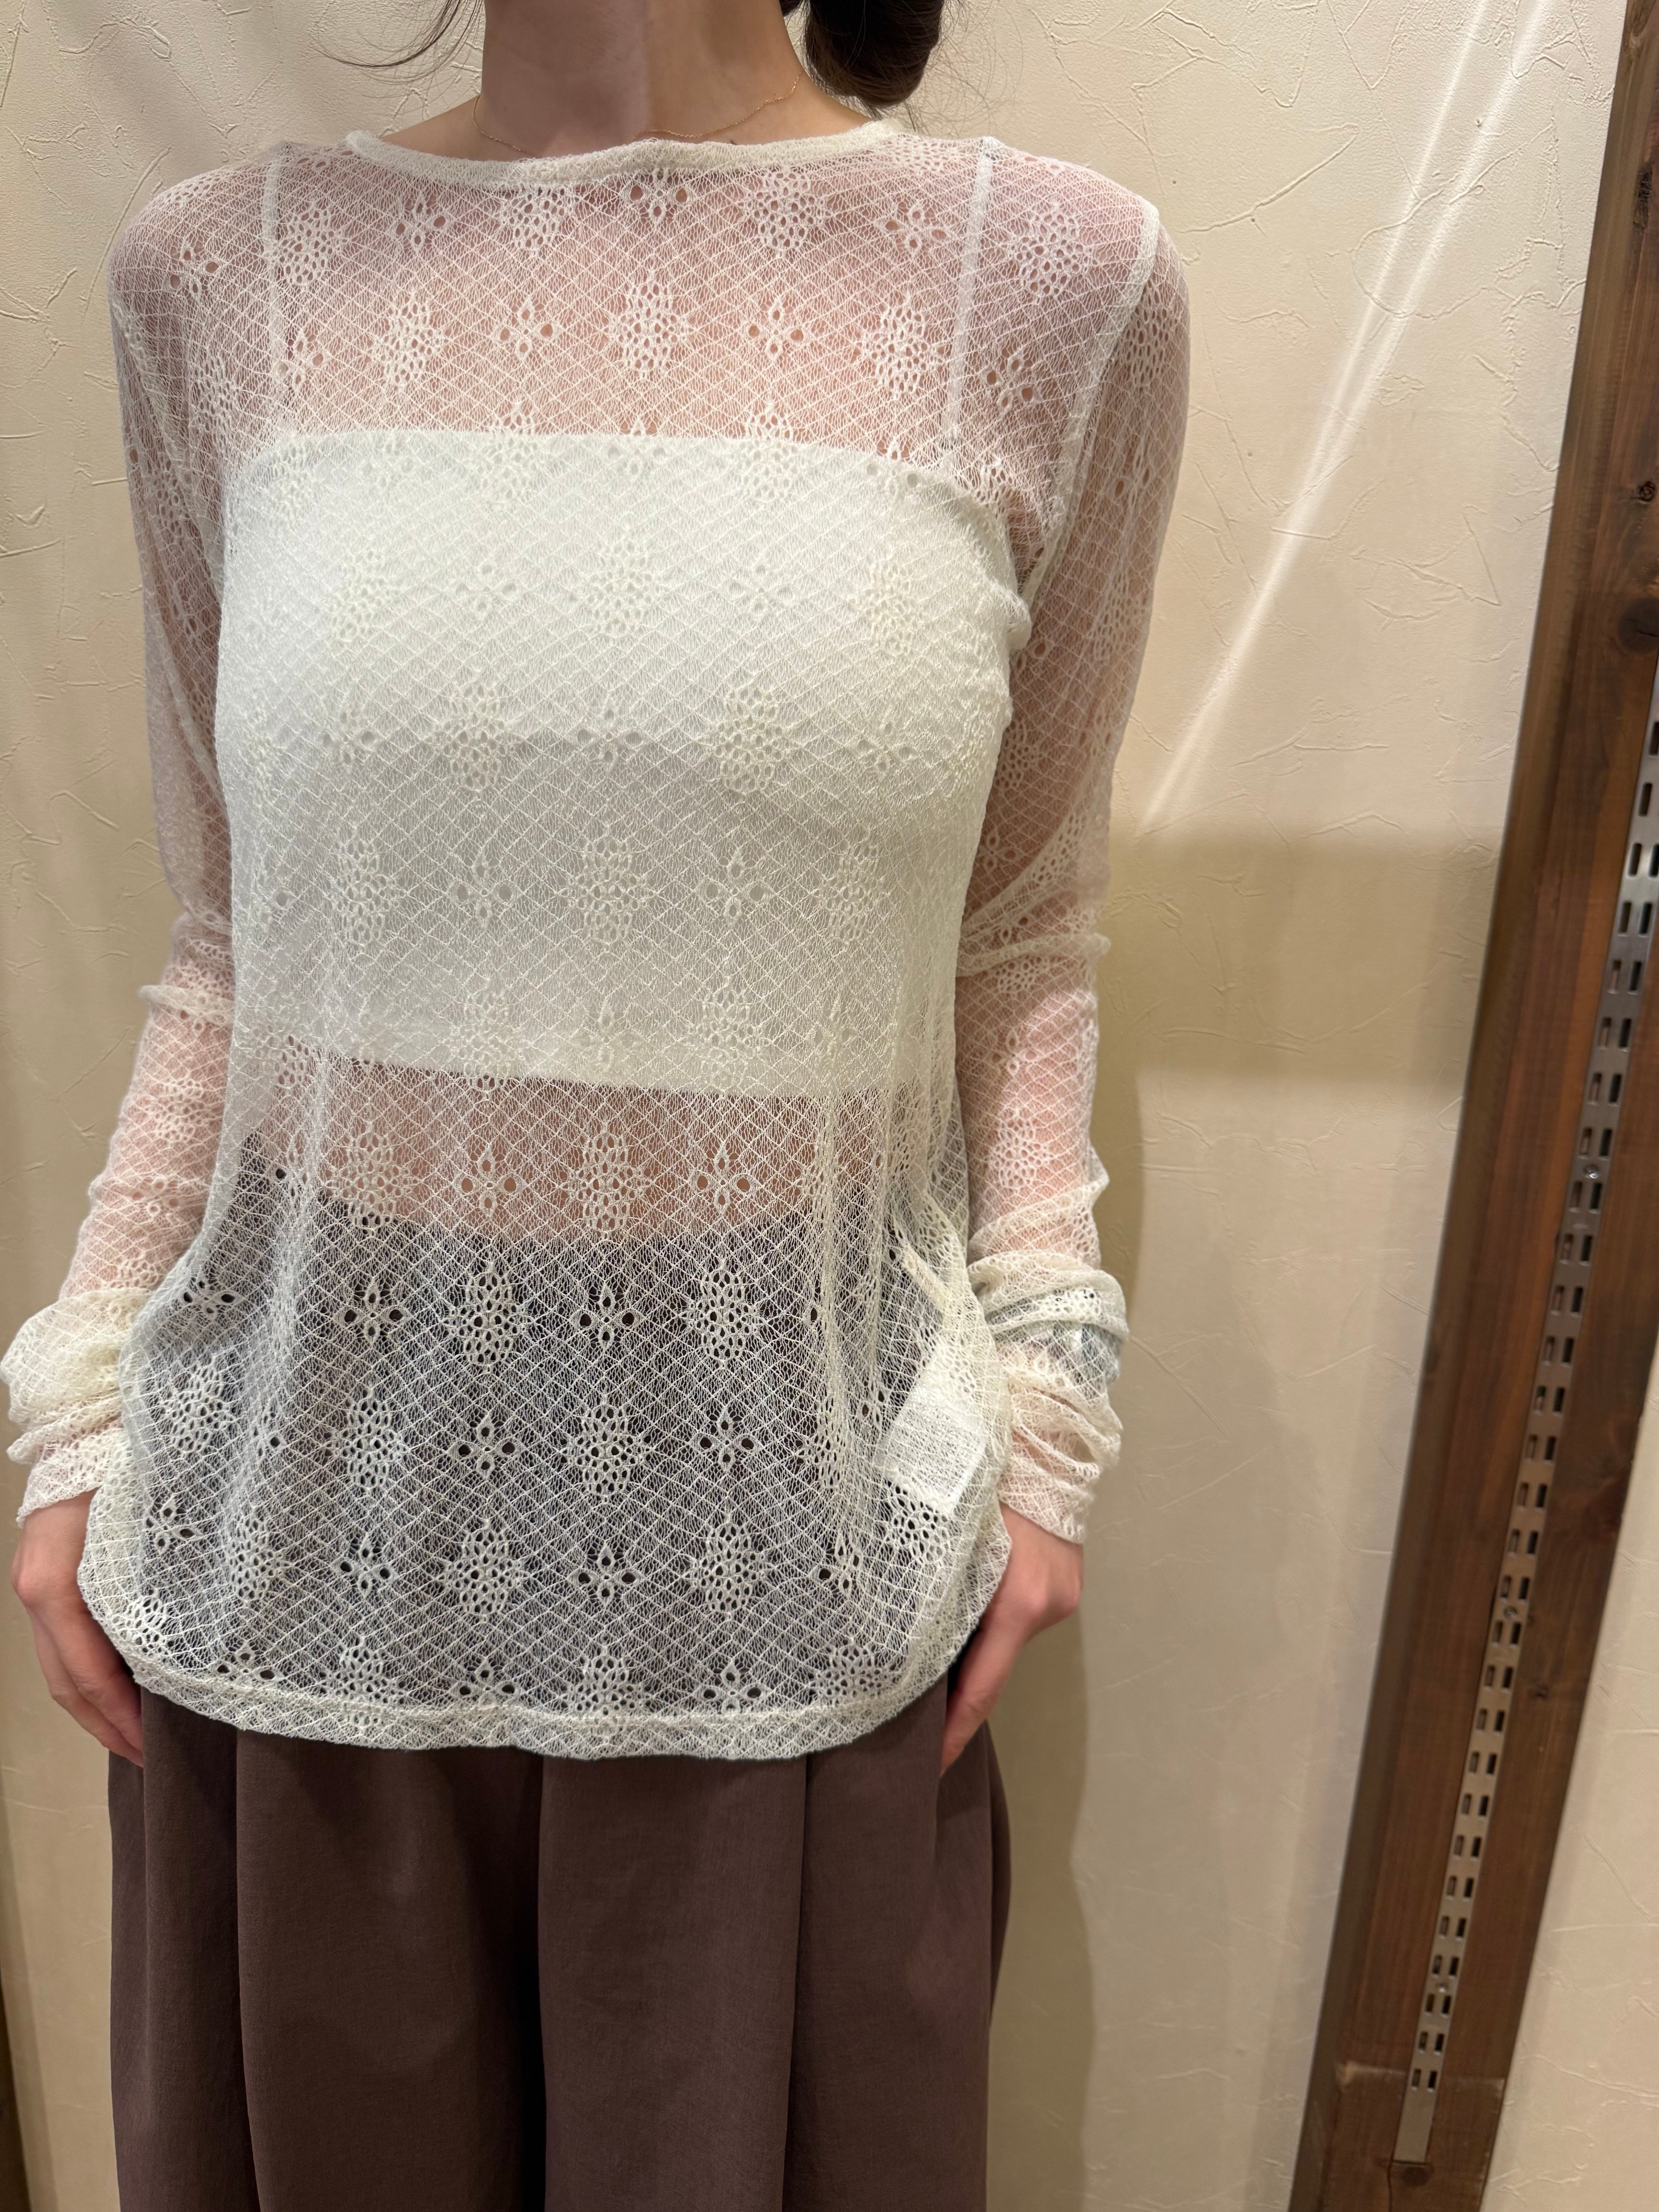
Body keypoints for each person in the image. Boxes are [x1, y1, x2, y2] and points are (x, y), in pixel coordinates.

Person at [3, 0, 1189, 2202]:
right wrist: (77, 1393)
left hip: (799, 1559)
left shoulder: (1043, 284)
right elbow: (233, 938)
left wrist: (1047, 1409)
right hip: (304, 1550)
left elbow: (1021, 932)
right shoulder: (221, 277)